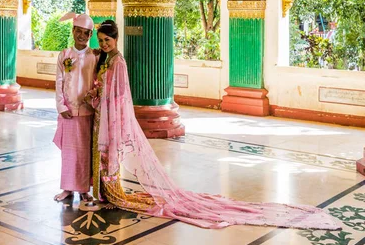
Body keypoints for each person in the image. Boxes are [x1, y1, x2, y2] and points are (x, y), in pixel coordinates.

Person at [84, 20, 340, 230]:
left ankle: (113, 192)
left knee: (109, 153)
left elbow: (119, 96)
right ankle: (107, 191)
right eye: (101, 40)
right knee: (102, 153)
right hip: (101, 114)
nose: (104, 44)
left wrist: (105, 106)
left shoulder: (118, 62)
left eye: (108, 40)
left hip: (110, 115)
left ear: (117, 40)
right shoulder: (104, 59)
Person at [53, 12, 97, 202]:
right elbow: (59, 82)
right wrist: (61, 106)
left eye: (86, 33)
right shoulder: (64, 55)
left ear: (90, 36)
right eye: (78, 31)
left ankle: (84, 189)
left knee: (85, 152)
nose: (81, 36)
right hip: (68, 111)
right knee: (69, 152)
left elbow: (98, 83)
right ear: (73, 31)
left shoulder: (94, 56)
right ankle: (68, 189)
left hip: (87, 112)